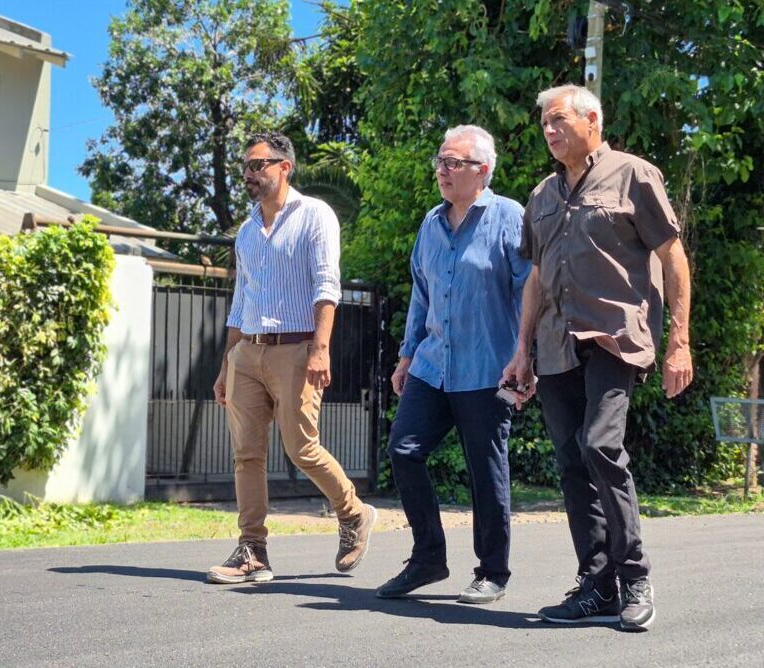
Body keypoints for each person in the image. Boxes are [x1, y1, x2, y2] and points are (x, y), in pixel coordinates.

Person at [502, 84, 693, 631]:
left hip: (615, 336)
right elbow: (535, 277)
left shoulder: (635, 175)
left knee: (600, 444)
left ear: (592, 120)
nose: (549, 129)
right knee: (570, 462)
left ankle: (634, 576)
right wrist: (522, 352)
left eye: (558, 119)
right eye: (544, 123)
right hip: (556, 344)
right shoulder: (541, 195)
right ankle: (597, 585)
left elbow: (672, 257)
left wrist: (679, 339)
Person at [207, 132, 377, 584]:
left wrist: (321, 349)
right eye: (246, 165)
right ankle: (252, 551)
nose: (249, 173)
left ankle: (353, 512)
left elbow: (327, 286)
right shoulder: (245, 231)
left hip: (297, 348)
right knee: (246, 454)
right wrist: (227, 363)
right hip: (248, 351)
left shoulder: (315, 215)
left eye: (258, 164)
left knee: (301, 447)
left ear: (285, 167)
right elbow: (240, 302)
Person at [375, 125, 530, 602]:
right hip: (431, 365)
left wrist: (527, 358)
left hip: (488, 368)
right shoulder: (431, 223)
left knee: (485, 470)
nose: (442, 170)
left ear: (482, 170)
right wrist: (406, 355)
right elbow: (422, 294)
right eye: (440, 162)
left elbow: (530, 292)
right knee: (404, 450)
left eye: (453, 163)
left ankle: (493, 572)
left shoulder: (509, 217)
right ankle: (427, 559)